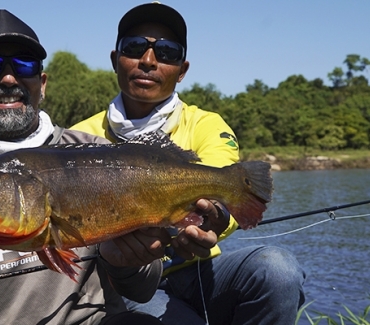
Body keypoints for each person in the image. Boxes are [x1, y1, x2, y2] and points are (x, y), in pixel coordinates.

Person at [0, 9, 168, 325]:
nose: (7, 78)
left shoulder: (98, 155)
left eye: (24, 64)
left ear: (41, 84)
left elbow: (143, 291)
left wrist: (125, 262)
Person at [71, 3, 306, 324]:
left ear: (182, 70)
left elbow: (225, 189)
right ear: (115, 60)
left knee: (277, 269)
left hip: (202, 268)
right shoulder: (78, 137)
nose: (148, 61)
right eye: (135, 47)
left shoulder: (207, 124)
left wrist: (216, 218)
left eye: (167, 52)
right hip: (127, 282)